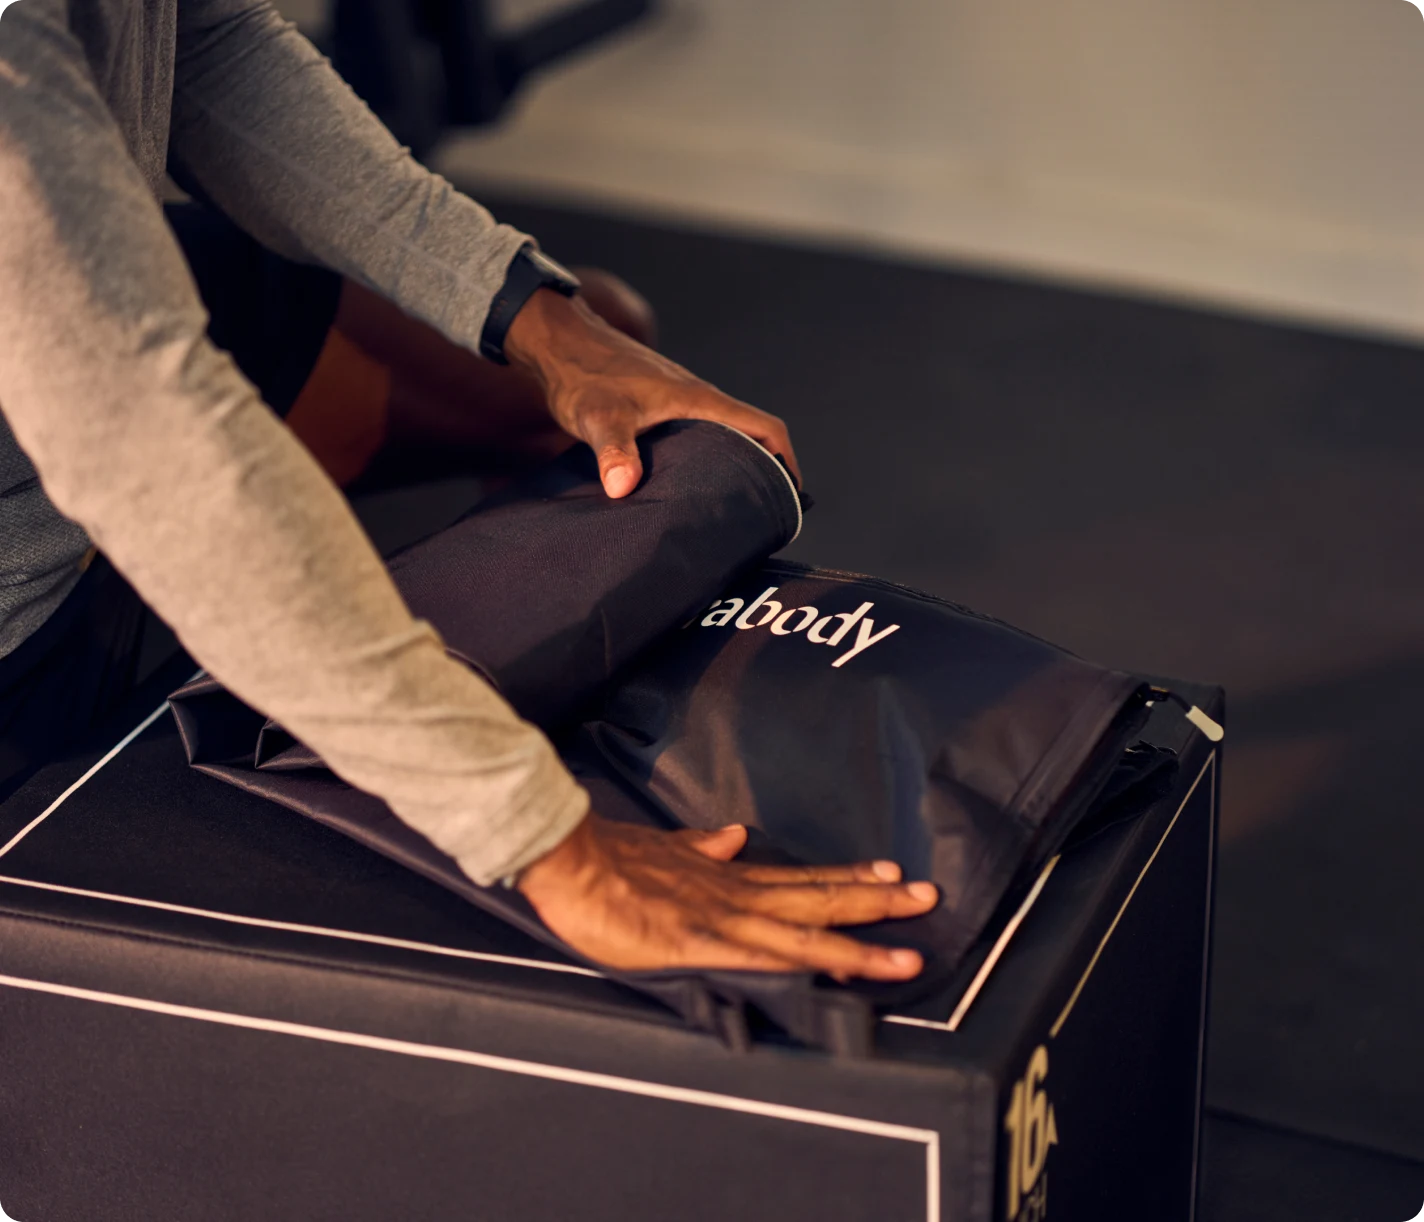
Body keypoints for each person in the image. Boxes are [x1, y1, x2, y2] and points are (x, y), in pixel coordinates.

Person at [0, 0, 936, 985]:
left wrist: (548, 329)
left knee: (612, 352)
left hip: (80, 260)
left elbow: (204, 39)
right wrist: (544, 841)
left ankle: (467, 685)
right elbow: (143, 433)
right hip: (34, 546)